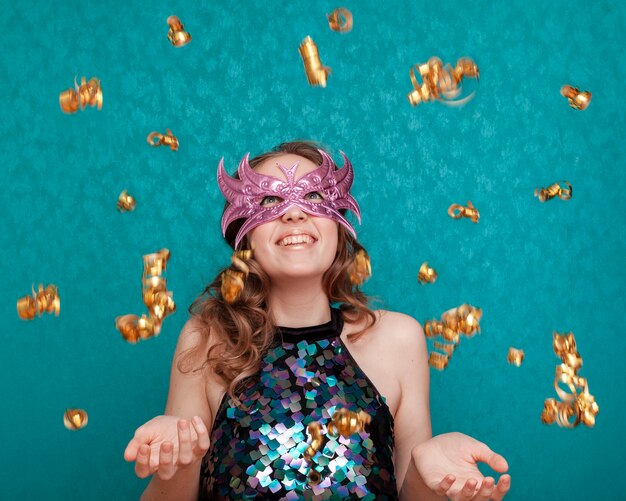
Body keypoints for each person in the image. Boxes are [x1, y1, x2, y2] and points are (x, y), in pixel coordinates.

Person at [124, 141, 511, 500]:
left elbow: (412, 493)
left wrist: (433, 478)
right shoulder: (208, 340)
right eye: (270, 200)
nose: (294, 212)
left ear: (338, 224)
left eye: (313, 196)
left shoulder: (398, 339)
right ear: (245, 238)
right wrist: (176, 465)